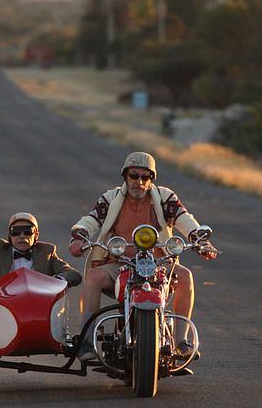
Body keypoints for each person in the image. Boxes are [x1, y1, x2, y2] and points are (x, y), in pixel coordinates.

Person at [68, 152, 217, 361]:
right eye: (134, 176)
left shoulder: (165, 198)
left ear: (151, 179)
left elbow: (185, 219)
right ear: (125, 176)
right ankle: (87, 341)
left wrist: (200, 240)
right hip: (120, 263)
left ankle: (181, 342)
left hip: (159, 263)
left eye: (145, 177)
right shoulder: (110, 198)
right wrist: (79, 236)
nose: (139, 182)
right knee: (93, 277)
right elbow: (91, 220)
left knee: (185, 277)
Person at [0, 206, 81, 287]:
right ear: (10, 235)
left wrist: (56, 281)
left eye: (28, 231)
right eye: (16, 232)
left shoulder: (46, 253)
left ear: (36, 235)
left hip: (38, 305)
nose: (22, 236)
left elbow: (73, 274)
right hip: (2, 305)